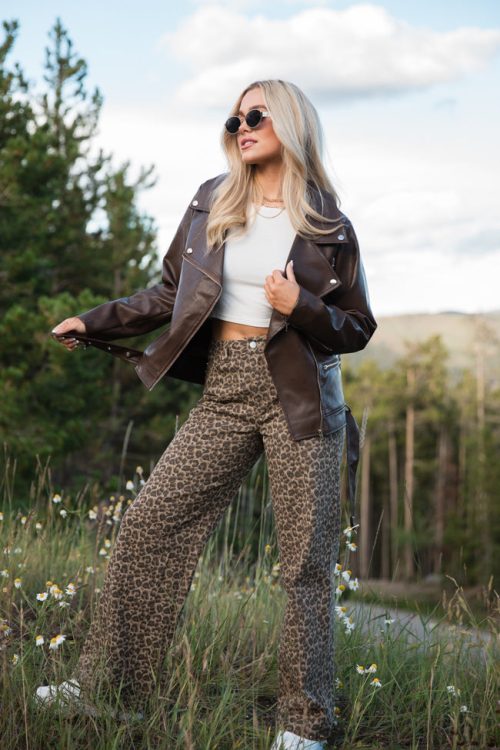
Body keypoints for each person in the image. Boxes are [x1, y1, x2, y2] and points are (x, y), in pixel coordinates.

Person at [36, 79, 377, 750]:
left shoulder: (328, 226)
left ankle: (305, 724)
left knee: (306, 563)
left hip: (301, 397)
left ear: (290, 124)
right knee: (150, 523)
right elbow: (170, 292)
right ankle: (110, 690)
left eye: (256, 116)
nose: (241, 127)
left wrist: (301, 307)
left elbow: (358, 327)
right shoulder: (212, 201)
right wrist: (96, 320)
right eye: (234, 119)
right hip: (225, 386)